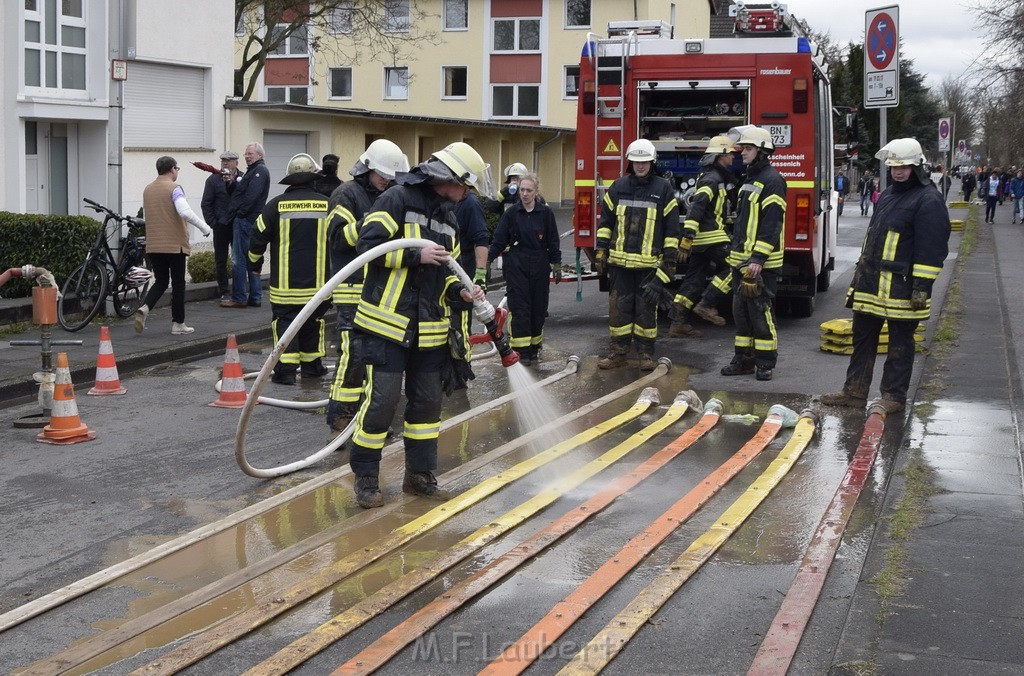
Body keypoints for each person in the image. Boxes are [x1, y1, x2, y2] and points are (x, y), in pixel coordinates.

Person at [348, 141, 492, 508]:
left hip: (429, 330)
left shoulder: (450, 218)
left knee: (427, 408)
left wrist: (460, 290)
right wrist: (415, 253)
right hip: (386, 325)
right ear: (451, 178)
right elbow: (369, 246)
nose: (467, 195)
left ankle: (419, 476)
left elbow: (446, 271)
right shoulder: (397, 198)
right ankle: (366, 479)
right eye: (466, 186)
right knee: (381, 403)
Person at [821, 138, 951, 413]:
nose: (897, 172)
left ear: (917, 166)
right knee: (862, 340)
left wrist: (921, 286)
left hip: (902, 288)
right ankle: (854, 392)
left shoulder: (928, 199)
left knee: (900, 345)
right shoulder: (889, 194)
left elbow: (932, 247)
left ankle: (893, 397)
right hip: (871, 285)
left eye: (903, 167)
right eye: (893, 167)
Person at [324, 139, 410, 432]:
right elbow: (336, 238)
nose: (386, 180)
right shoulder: (345, 194)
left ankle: (369, 416)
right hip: (351, 286)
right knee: (354, 353)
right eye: (381, 174)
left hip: (381, 288)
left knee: (377, 355)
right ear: (368, 167)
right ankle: (341, 413)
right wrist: (370, 225)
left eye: (390, 176)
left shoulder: (389, 195)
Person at [594, 138, 681, 372]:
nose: (640, 166)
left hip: (648, 266)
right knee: (619, 309)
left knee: (645, 311)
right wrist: (601, 251)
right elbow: (606, 223)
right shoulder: (618, 186)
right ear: (629, 162)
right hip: (620, 265)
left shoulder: (663, 189)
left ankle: (645, 353)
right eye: (636, 161)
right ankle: (618, 352)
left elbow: (672, 230)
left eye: (644, 162)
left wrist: (669, 261)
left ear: (652, 162)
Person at [247, 154, 331, 385]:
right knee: (312, 324)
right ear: (314, 178)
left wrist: (253, 266)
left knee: (285, 325)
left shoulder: (275, 206)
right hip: (319, 287)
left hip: (285, 288)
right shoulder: (328, 204)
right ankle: (312, 367)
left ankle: (285, 372)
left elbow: (257, 240)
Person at [720, 125, 786, 381]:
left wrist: (758, 258)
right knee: (741, 314)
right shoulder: (750, 178)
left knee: (760, 313)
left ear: (761, 151)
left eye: (747, 148)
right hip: (740, 262)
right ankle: (744, 360)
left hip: (760, 265)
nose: (741, 153)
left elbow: (772, 224)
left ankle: (765, 362)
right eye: (742, 148)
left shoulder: (772, 180)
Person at [487, 173, 561, 366]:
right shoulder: (511, 214)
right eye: (522, 190)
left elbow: (553, 240)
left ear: (536, 192)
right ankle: (521, 351)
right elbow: (499, 239)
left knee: (538, 308)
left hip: (539, 263)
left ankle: (534, 348)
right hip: (517, 264)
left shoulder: (545, 214)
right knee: (520, 308)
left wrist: (557, 263)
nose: (525, 194)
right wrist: (487, 259)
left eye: (529, 190)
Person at [668, 135, 737, 339]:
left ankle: (677, 323)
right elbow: (696, 208)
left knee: (693, 281)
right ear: (720, 156)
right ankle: (707, 304)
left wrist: (690, 240)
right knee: (736, 267)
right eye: (730, 154)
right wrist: (686, 239)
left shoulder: (711, 176)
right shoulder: (712, 179)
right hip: (712, 238)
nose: (733, 158)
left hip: (702, 240)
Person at [134, 156, 212, 335]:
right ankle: (178, 324)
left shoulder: (148, 189)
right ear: (172, 170)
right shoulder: (174, 188)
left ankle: (145, 307)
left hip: (154, 245)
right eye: (177, 168)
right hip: (174, 245)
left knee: (161, 281)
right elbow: (184, 211)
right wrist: (205, 227)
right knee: (178, 283)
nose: (177, 171)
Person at [222, 142, 271, 308]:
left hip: (245, 221)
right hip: (247, 219)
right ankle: (255, 297)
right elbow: (239, 193)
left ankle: (239, 297)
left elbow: (252, 197)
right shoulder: (254, 171)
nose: (247, 156)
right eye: (246, 154)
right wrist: (230, 183)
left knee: (239, 259)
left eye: (250, 153)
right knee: (251, 258)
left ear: (259, 155)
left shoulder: (259, 171)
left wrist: (240, 214)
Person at [201, 150, 242, 301]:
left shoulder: (243, 178)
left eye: (229, 160)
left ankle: (240, 290)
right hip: (221, 226)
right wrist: (213, 223)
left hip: (238, 224)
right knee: (221, 260)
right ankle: (224, 291)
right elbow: (206, 204)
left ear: (236, 163)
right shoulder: (213, 180)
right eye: (223, 160)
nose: (225, 162)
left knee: (239, 259)